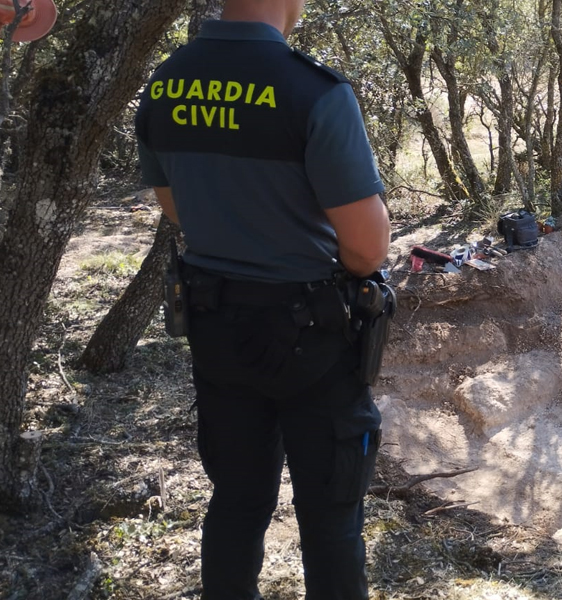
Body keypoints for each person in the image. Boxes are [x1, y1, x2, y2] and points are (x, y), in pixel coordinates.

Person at [134, 1, 392, 598]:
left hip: (216, 331)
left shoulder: (166, 82)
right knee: (331, 522)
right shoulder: (314, 91)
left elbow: (176, 210)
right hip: (314, 343)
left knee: (237, 504)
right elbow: (366, 251)